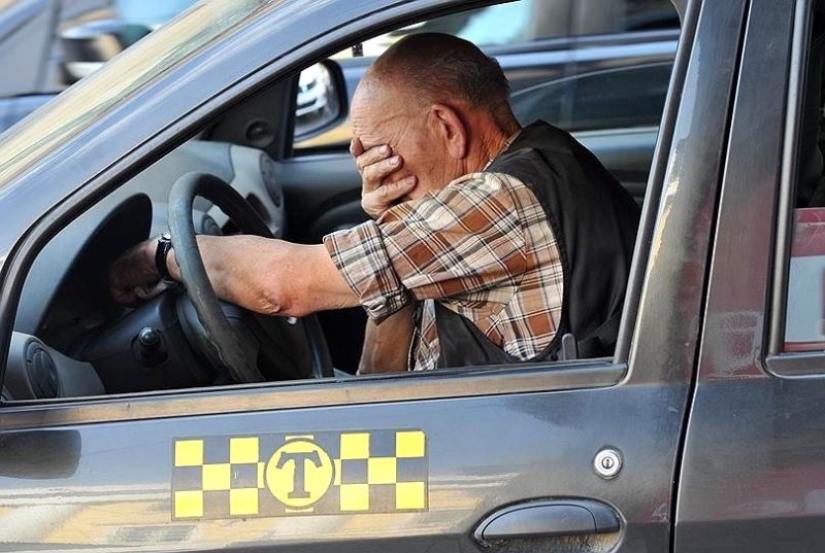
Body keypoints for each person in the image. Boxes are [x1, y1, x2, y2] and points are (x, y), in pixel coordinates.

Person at [109, 33, 639, 375]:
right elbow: (378, 378)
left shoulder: (501, 202)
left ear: (447, 128)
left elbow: (282, 288)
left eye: (376, 150)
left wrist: (164, 256)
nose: (366, 168)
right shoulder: (495, 189)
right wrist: (391, 225)